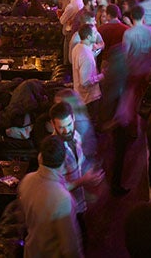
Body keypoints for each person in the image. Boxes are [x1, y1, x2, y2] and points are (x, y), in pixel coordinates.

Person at [18, 137, 84, 258]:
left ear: (40, 158)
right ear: (64, 161)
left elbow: (25, 219)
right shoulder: (63, 199)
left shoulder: (26, 180)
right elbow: (70, 249)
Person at [49, 101, 104, 238]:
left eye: (69, 124)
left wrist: (90, 173)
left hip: (79, 203)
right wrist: (83, 181)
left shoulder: (75, 135)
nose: (67, 131)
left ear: (73, 118)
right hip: (65, 209)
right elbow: (53, 190)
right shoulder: (52, 151)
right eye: (61, 127)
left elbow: (80, 162)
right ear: (52, 124)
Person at [71, 24, 104, 124]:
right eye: (94, 33)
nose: (97, 34)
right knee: (91, 124)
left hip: (79, 96)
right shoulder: (87, 56)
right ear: (88, 37)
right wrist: (102, 76)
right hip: (89, 98)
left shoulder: (77, 47)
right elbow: (85, 82)